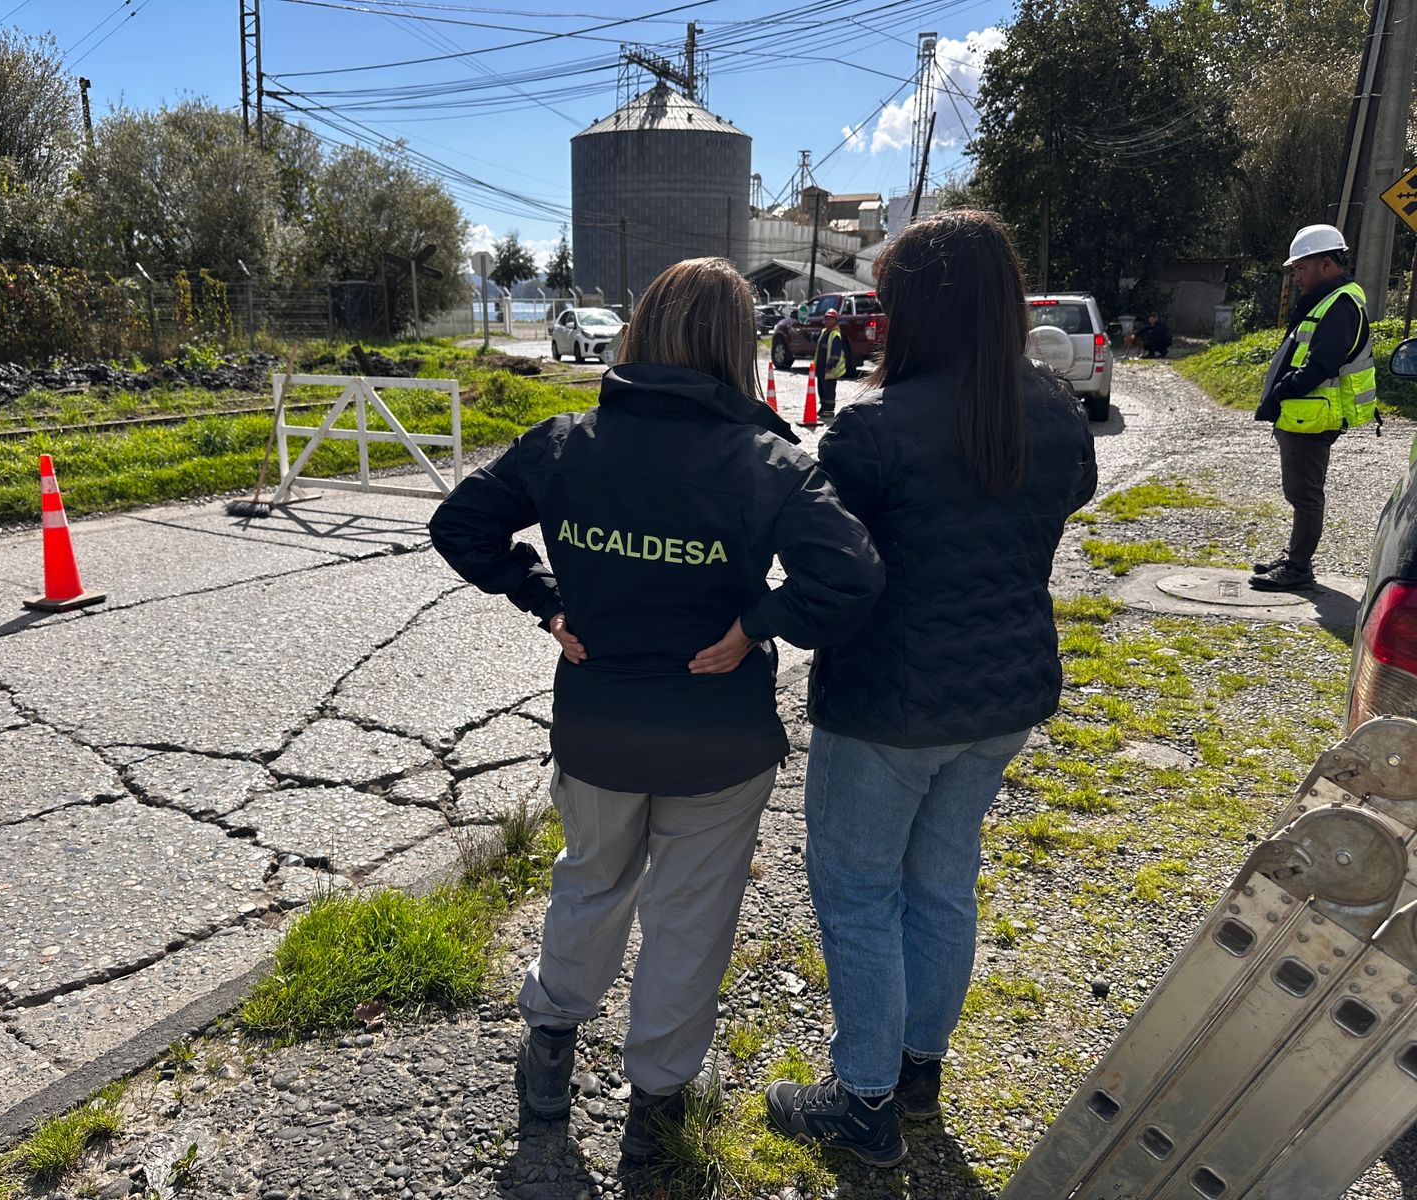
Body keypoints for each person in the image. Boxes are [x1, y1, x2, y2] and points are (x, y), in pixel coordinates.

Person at [428, 257, 884, 1170]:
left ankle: (549, 1050)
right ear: (736, 347)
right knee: (690, 916)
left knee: (589, 881)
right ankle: (656, 1101)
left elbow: (460, 525)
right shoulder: (766, 463)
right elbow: (853, 575)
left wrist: (544, 598)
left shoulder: (566, 443)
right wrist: (759, 623)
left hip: (598, 727)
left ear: (637, 335)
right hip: (717, 738)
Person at [763, 210, 1097, 1166]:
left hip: (888, 705)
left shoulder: (873, 428)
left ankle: (861, 1101)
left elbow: (829, 566)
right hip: (1005, 696)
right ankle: (914, 1074)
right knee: (942, 881)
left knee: (860, 892)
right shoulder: (1051, 411)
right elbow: (1063, 500)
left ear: (914, 312)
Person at [1249, 224, 1379, 592]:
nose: (1298, 277)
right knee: (1300, 492)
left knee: (1305, 495)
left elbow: (1320, 366)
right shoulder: (1329, 299)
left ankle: (1298, 569)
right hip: (1304, 414)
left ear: (1327, 264)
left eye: (1302, 268)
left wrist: (1281, 392)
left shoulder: (1340, 305)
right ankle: (1295, 557)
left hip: (1312, 416)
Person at [816, 306, 846, 419]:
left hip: (829, 369)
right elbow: (815, 340)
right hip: (821, 368)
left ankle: (829, 409)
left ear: (835, 321)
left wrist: (830, 365)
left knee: (829, 389)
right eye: (826, 318)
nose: (827, 321)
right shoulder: (824, 332)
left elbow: (835, 353)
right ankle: (823, 407)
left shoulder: (835, 335)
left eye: (830, 319)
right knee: (821, 388)